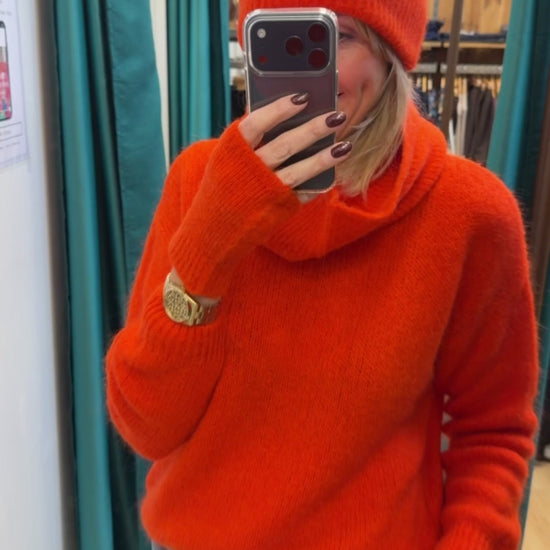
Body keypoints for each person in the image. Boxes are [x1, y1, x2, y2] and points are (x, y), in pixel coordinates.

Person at [105, 1, 539, 549]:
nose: (309, 67)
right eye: (278, 38)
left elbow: (493, 431)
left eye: (339, 35)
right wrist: (209, 245)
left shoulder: (469, 214)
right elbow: (146, 426)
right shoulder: (198, 182)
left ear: (390, 54)